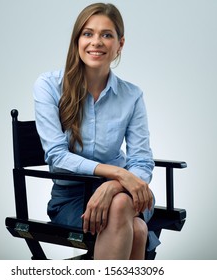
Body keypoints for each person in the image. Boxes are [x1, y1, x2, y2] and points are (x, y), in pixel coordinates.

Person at [34, 2, 160, 260]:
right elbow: (57, 156)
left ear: (120, 44)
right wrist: (117, 174)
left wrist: (113, 186)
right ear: (77, 40)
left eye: (107, 34)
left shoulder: (132, 95)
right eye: (88, 33)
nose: (96, 42)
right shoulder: (48, 86)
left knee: (122, 203)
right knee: (136, 228)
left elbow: (141, 160)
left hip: (126, 194)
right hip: (71, 199)